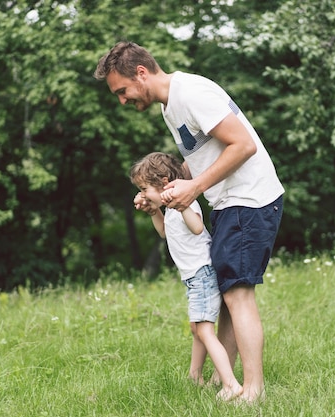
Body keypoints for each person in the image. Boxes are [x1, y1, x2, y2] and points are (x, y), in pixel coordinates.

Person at [95, 41, 284, 403]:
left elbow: (243, 145)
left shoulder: (192, 92)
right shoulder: (171, 107)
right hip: (229, 201)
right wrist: (156, 194)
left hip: (251, 198)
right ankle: (223, 378)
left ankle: (254, 389)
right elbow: (195, 163)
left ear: (141, 73)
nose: (122, 100)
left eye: (122, 91)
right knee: (229, 291)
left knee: (238, 294)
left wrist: (195, 187)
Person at [130, 152, 243, 401]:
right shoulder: (169, 209)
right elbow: (163, 234)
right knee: (197, 328)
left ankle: (231, 384)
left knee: (204, 330)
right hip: (193, 278)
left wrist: (180, 206)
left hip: (202, 274)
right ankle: (195, 377)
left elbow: (197, 227)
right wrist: (153, 212)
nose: (143, 194)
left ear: (164, 180)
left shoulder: (185, 202)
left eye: (145, 188)